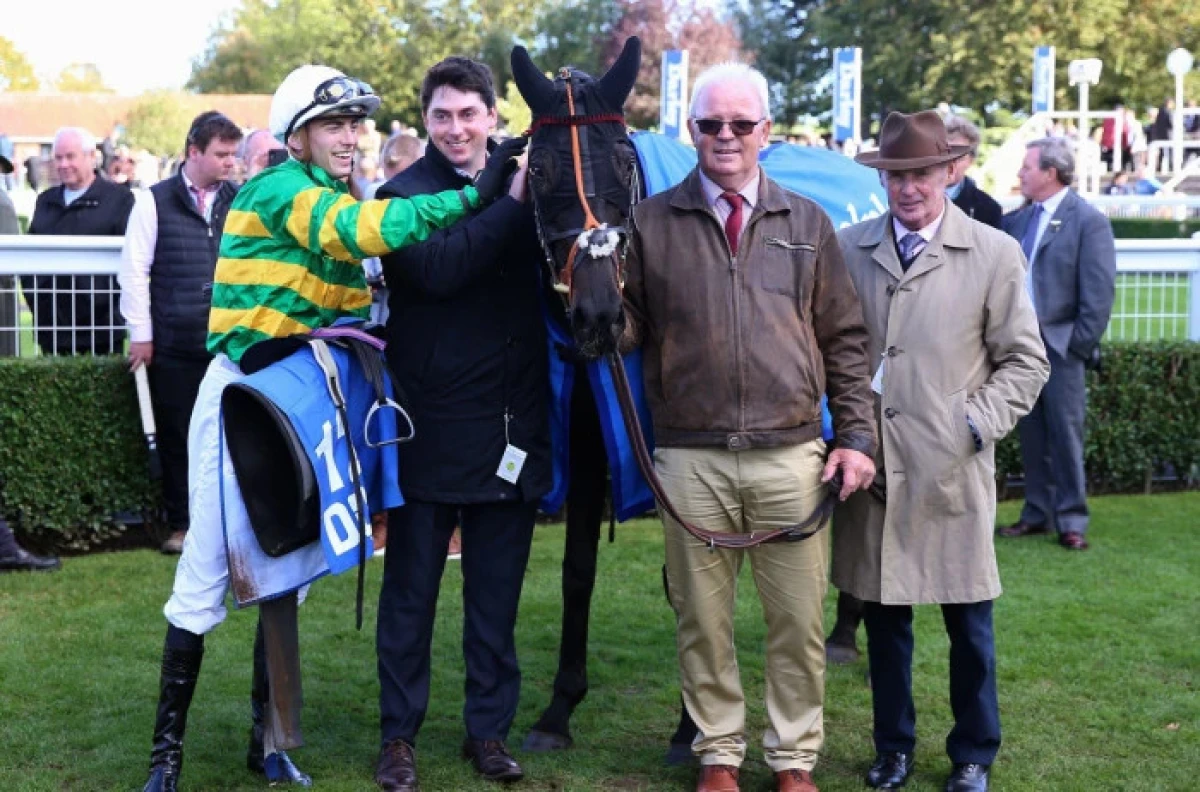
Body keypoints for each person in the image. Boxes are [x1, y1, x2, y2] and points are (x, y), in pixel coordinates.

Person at [138, 64, 525, 792]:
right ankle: (165, 759)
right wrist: (477, 195)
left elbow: (351, 302)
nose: (349, 138)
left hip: (301, 401)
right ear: (297, 136)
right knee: (207, 574)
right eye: (333, 125)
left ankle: (269, 744)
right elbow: (363, 231)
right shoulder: (282, 189)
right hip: (241, 399)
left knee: (286, 574)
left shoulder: (328, 194)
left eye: (354, 124)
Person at [623, 62, 878, 792]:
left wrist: (856, 438)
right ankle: (718, 755)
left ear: (766, 130)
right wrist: (591, 299)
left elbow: (845, 340)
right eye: (711, 124)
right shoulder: (649, 223)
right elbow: (624, 333)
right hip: (690, 457)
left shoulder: (807, 221)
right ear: (692, 131)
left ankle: (793, 760)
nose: (726, 136)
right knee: (702, 622)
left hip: (792, 453)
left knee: (797, 624)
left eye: (741, 124)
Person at [834, 110, 1049, 792]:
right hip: (875, 472)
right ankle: (893, 748)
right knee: (884, 626)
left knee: (970, 626)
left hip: (953, 471)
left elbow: (1026, 362)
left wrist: (971, 426)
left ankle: (973, 754)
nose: (909, 188)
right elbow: (830, 351)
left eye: (922, 173)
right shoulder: (848, 248)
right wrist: (848, 434)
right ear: (882, 179)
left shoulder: (993, 252)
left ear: (949, 172)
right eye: (896, 175)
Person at [371, 56, 548, 792]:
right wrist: (505, 199)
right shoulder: (400, 197)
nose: (455, 128)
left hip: (510, 424)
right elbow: (440, 269)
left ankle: (488, 731)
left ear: (492, 117)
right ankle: (398, 738)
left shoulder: (532, 185)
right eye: (441, 115)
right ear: (425, 120)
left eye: (468, 114)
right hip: (427, 425)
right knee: (410, 595)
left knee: (495, 597)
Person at [119, 111, 243, 556]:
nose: (230, 162)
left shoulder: (239, 199)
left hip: (230, 342)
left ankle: (232, 525)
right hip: (174, 342)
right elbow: (134, 270)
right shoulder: (151, 202)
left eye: (233, 154)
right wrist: (141, 334)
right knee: (178, 437)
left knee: (231, 437)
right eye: (222, 154)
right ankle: (182, 524)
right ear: (194, 151)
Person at [999, 138, 1116, 551]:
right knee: (1032, 436)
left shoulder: (1088, 221)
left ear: (1051, 172)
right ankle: (1037, 514)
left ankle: (1072, 519)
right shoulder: (1016, 221)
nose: (1020, 174)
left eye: (1027, 167)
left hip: (1061, 349)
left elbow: (1098, 296)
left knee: (1066, 436)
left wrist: (1075, 347)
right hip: (1021, 347)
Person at [24, 127, 134, 355]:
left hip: (101, 330)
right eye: (58, 158)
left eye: (70, 156)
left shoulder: (119, 200)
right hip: (52, 328)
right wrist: (39, 302)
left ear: (91, 156)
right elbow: (29, 257)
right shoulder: (45, 201)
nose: (63, 164)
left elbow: (133, 261)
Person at [943, 116, 1002, 229]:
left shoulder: (988, 209)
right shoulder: (913, 199)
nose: (949, 162)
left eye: (958, 157)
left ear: (971, 161)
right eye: (945, 153)